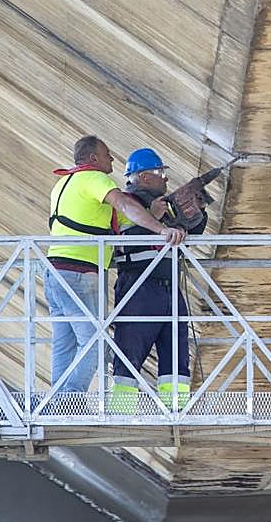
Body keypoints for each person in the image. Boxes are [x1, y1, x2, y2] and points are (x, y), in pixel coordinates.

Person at [45, 135, 185, 395]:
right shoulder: (96, 179)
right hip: (80, 271)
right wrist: (160, 229)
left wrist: (152, 214)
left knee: (65, 342)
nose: (112, 159)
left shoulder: (63, 184)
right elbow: (124, 206)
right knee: (94, 343)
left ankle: (56, 400)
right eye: (107, 154)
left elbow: (124, 222)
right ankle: (70, 400)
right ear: (93, 158)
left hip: (54, 271)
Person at [107, 147, 206, 413]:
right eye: (160, 172)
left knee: (176, 350)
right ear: (142, 176)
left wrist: (197, 208)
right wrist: (155, 217)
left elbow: (191, 228)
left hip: (169, 288)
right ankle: (122, 411)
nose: (164, 178)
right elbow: (124, 238)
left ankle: (175, 408)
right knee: (130, 351)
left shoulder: (161, 203)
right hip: (137, 287)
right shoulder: (126, 204)